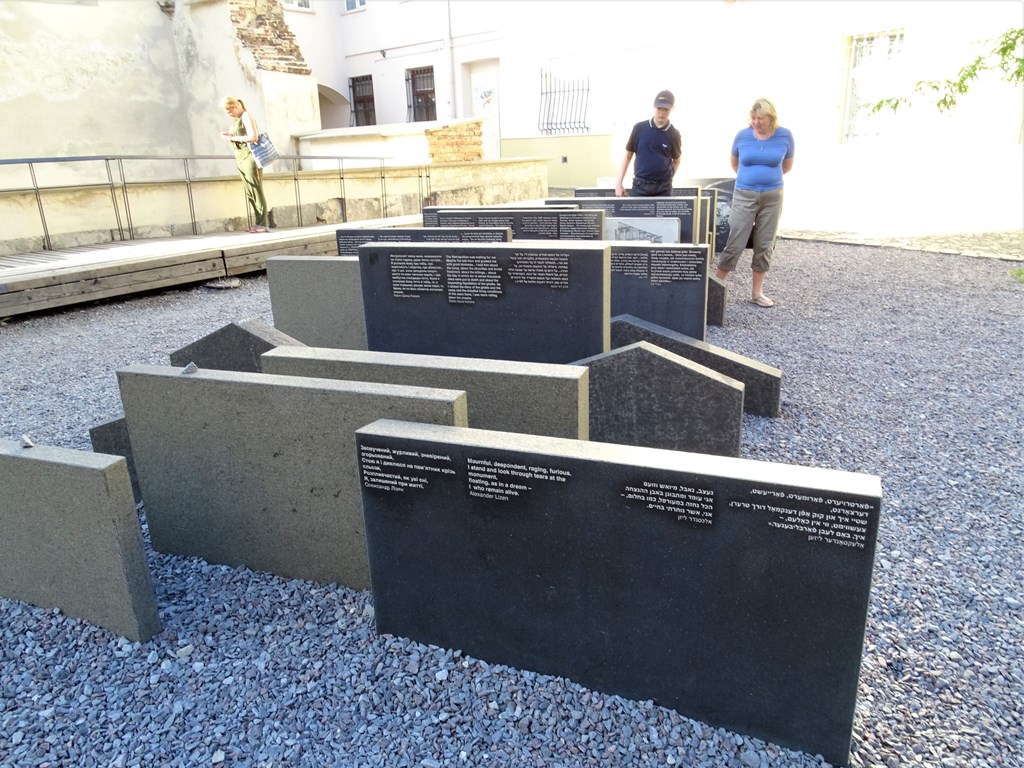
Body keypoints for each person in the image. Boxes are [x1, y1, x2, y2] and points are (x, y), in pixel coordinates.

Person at [714, 98, 795, 307]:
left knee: (765, 243)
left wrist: (766, 179)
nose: (756, 122)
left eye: (760, 119)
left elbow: (786, 165)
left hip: (772, 195)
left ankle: (757, 292)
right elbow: (735, 163)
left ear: (771, 118)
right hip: (744, 194)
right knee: (736, 240)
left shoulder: (785, 136)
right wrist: (750, 180)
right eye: (753, 118)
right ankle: (714, 288)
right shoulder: (742, 136)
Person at [614, 90, 682, 197]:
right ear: (654, 107)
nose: (662, 112)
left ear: (672, 108)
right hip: (640, 186)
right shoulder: (639, 128)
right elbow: (627, 156)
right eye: (659, 108)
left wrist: (668, 177)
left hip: (664, 189)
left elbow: (677, 160)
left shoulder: (674, 134)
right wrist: (618, 184)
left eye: (666, 109)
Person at [220, 96, 270, 233]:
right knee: (249, 191)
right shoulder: (237, 120)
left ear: (233, 107)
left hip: (249, 157)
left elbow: (253, 137)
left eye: (229, 112)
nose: (229, 115)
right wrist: (229, 134)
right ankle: (258, 222)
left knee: (255, 189)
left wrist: (232, 138)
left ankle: (263, 224)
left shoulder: (246, 116)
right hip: (240, 158)